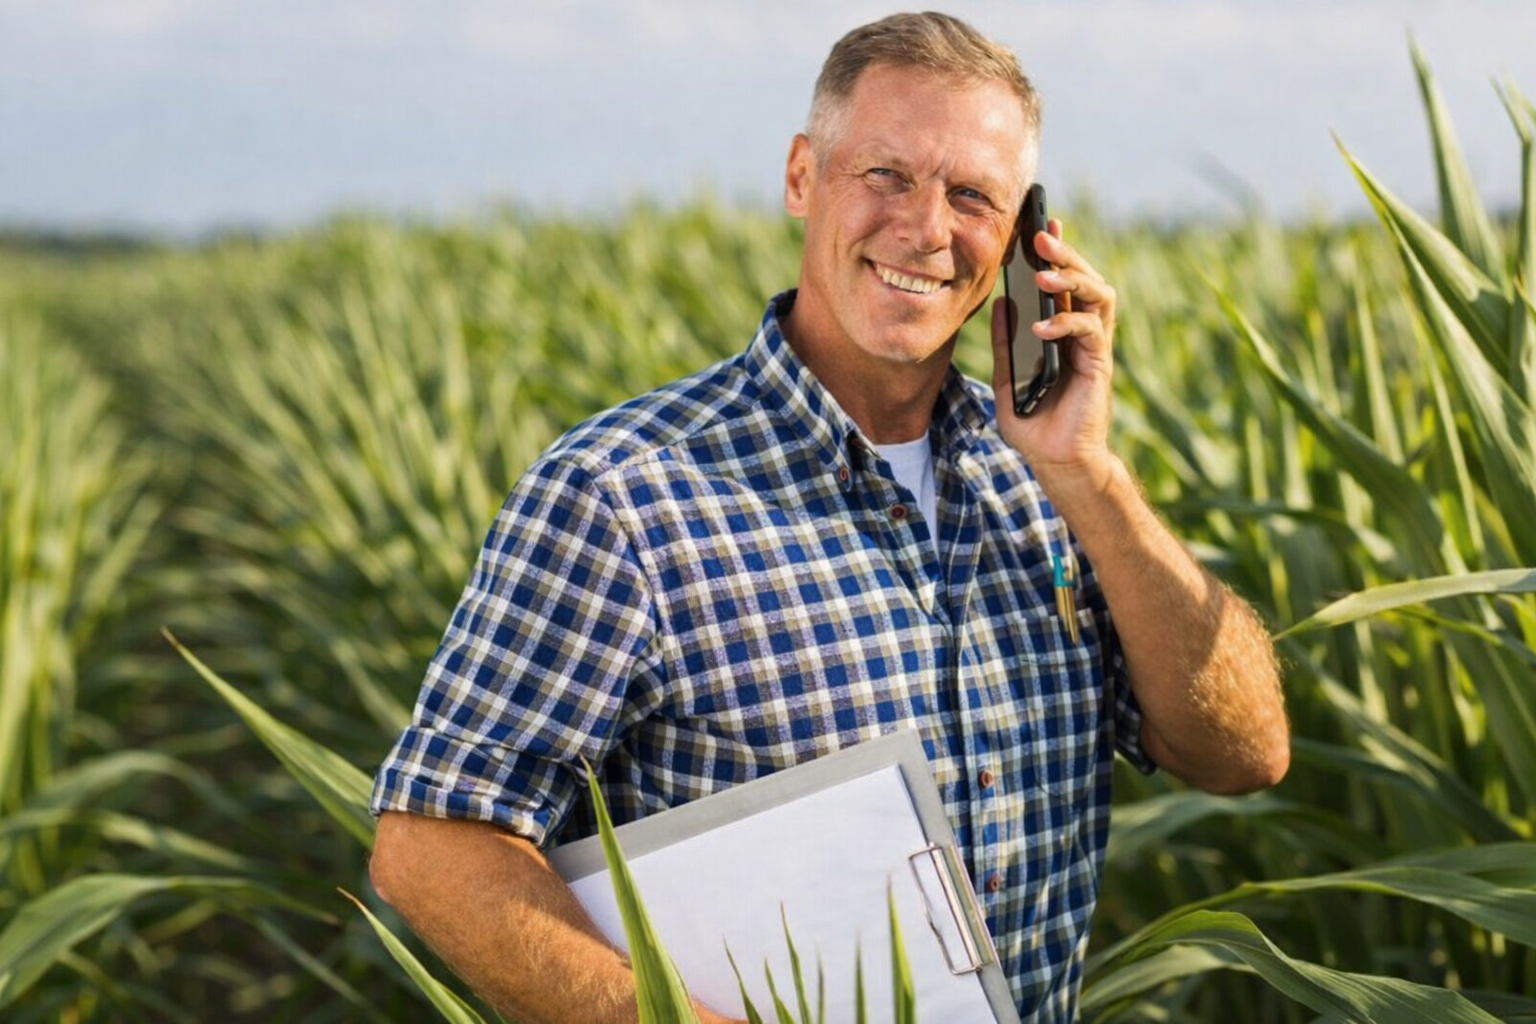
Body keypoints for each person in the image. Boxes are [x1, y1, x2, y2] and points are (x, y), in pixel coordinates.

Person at [367, 12, 1289, 1024]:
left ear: (1027, 241)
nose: (926, 229)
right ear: (803, 176)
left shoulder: (1050, 486)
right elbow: (432, 842)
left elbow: (1243, 754)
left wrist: (1092, 476)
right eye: (886, 175)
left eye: (972, 196)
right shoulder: (624, 494)